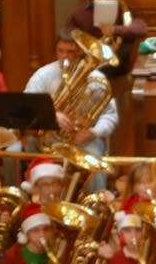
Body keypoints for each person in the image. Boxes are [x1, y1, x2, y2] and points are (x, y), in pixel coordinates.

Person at [24, 33, 118, 180]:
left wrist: (93, 132)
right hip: (48, 138)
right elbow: (26, 106)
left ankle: (94, 199)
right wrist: (51, 114)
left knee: (93, 160)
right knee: (22, 150)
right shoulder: (43, 75)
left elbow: (110, 115)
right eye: (60, 51)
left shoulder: (97, 79)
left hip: (84, 140)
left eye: (70, 52)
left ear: (81, 53)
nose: (64, 56)